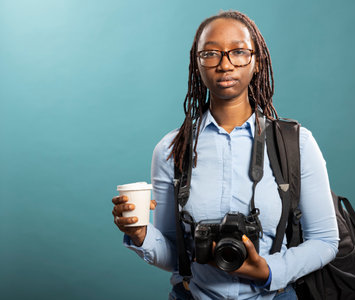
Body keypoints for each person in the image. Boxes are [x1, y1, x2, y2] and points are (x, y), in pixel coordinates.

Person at [112, 10, 339, 300]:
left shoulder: (296, 144)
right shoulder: (172, 149)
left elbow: (325, 241)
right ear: (197, 64)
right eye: (211, 53)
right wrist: (141, 235)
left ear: (257, 62)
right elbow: (175, 255)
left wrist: (268, 271)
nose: (225, 64)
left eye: (239, 52)